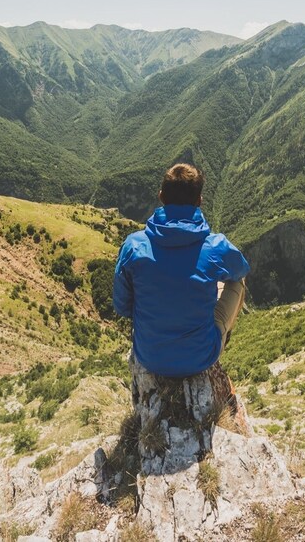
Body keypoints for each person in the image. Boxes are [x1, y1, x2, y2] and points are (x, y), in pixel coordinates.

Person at [113, 163, 250, 429]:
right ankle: (222, 337)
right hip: (200, 357)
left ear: (161, 196)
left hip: (149, 355)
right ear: (199, 201)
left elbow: (122, 305)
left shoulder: (133, 246)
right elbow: (242, 269)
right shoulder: (216, 246)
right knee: (236, 283)